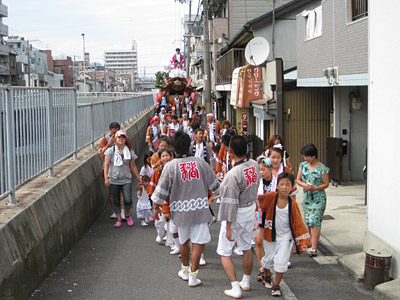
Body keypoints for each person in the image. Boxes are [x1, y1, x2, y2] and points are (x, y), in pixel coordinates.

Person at [151, 131, 220, 287]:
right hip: (200, 208)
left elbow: (161, 191)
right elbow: (215, 186)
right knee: (198, 241)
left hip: (180, 210)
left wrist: (156, 207)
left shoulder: (170, 166)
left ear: (173, 148)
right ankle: (193, 276)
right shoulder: (200, 162)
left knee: (183, 241)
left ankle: (185, 269)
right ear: (189, 144)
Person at [216, 135, 260, 299]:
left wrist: (228, 226)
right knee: (246, 246)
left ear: (230, 151)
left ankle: (235, 287)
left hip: (236, 213)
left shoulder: (233, 174)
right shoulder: (254, 164)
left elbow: (229, 203)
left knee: (224, 251)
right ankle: (246, 281)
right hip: (250, 209)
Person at [258, 172, 311, 297]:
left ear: (292, 187)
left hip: (285, 237)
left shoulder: (293, 204)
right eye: (281, 184)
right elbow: (258, 203)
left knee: (281, 261)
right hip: (270, 234)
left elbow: (298, 223)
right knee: (268, 259)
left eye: (288, 185)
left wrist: (303, 241)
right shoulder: (270, 197)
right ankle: (266, 274)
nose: (284, 187)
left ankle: (276, 285)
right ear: (277, 186)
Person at [296, 144, 329, 257]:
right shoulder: (303, 166)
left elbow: (326, 184)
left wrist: (314, 188)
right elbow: (298, 179)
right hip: (307, 197)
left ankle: (314, 247)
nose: (305, 159)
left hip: (318, 198)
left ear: (313, 156)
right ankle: (311, 243)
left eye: (307, 156)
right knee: (309, 221)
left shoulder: (322, 168)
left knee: (315, 221)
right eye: (305, 156)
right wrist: (304, 185)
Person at [104, 130, 140, 228]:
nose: (121, 139)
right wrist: (106, 178)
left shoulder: (129, 151)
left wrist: (138, 177)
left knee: (128, 199)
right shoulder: (110, 151)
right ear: (115, 138)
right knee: (116, 200)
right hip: (114, 178)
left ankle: (127, 215)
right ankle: (119, 219)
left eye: (123, 137)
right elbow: (106, 165)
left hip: (126, 179)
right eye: (119, 137)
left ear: (125, 139)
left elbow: (133, 165)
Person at [98, 122, 134, 219]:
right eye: (113, 132)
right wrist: (109, 144)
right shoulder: (106, 139)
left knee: (122, 192)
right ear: (109, 131)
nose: (114, 135)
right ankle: (115, 210)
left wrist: (131, 167)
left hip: (123, 169)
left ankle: (122, 211)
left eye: (116, 132)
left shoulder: (124, 138)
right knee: (112, 192)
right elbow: (101, 153)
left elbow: (131, 151)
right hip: (110, 169)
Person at [148, 148, 175, 243]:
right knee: (159, 220)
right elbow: (153, 186)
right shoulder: (157, 171)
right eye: (163, 156)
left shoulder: (175, 169)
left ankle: (170, 241)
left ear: (172, 157)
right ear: (160, 158)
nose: (166, 158)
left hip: (172, 198)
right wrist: (155, 202)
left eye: (167, 155)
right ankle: (160, 234)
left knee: (170, 221)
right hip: (160, 198)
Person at [255, 157, 272, 281]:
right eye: (259, 170)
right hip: (259, 213)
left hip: (273, 215)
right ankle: (262, 268)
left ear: (270, 169)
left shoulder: (278, 181)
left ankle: (270, 268)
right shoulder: (257, 182)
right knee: (259, 241)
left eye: (264, 169)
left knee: (271, 243)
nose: (261, 172)